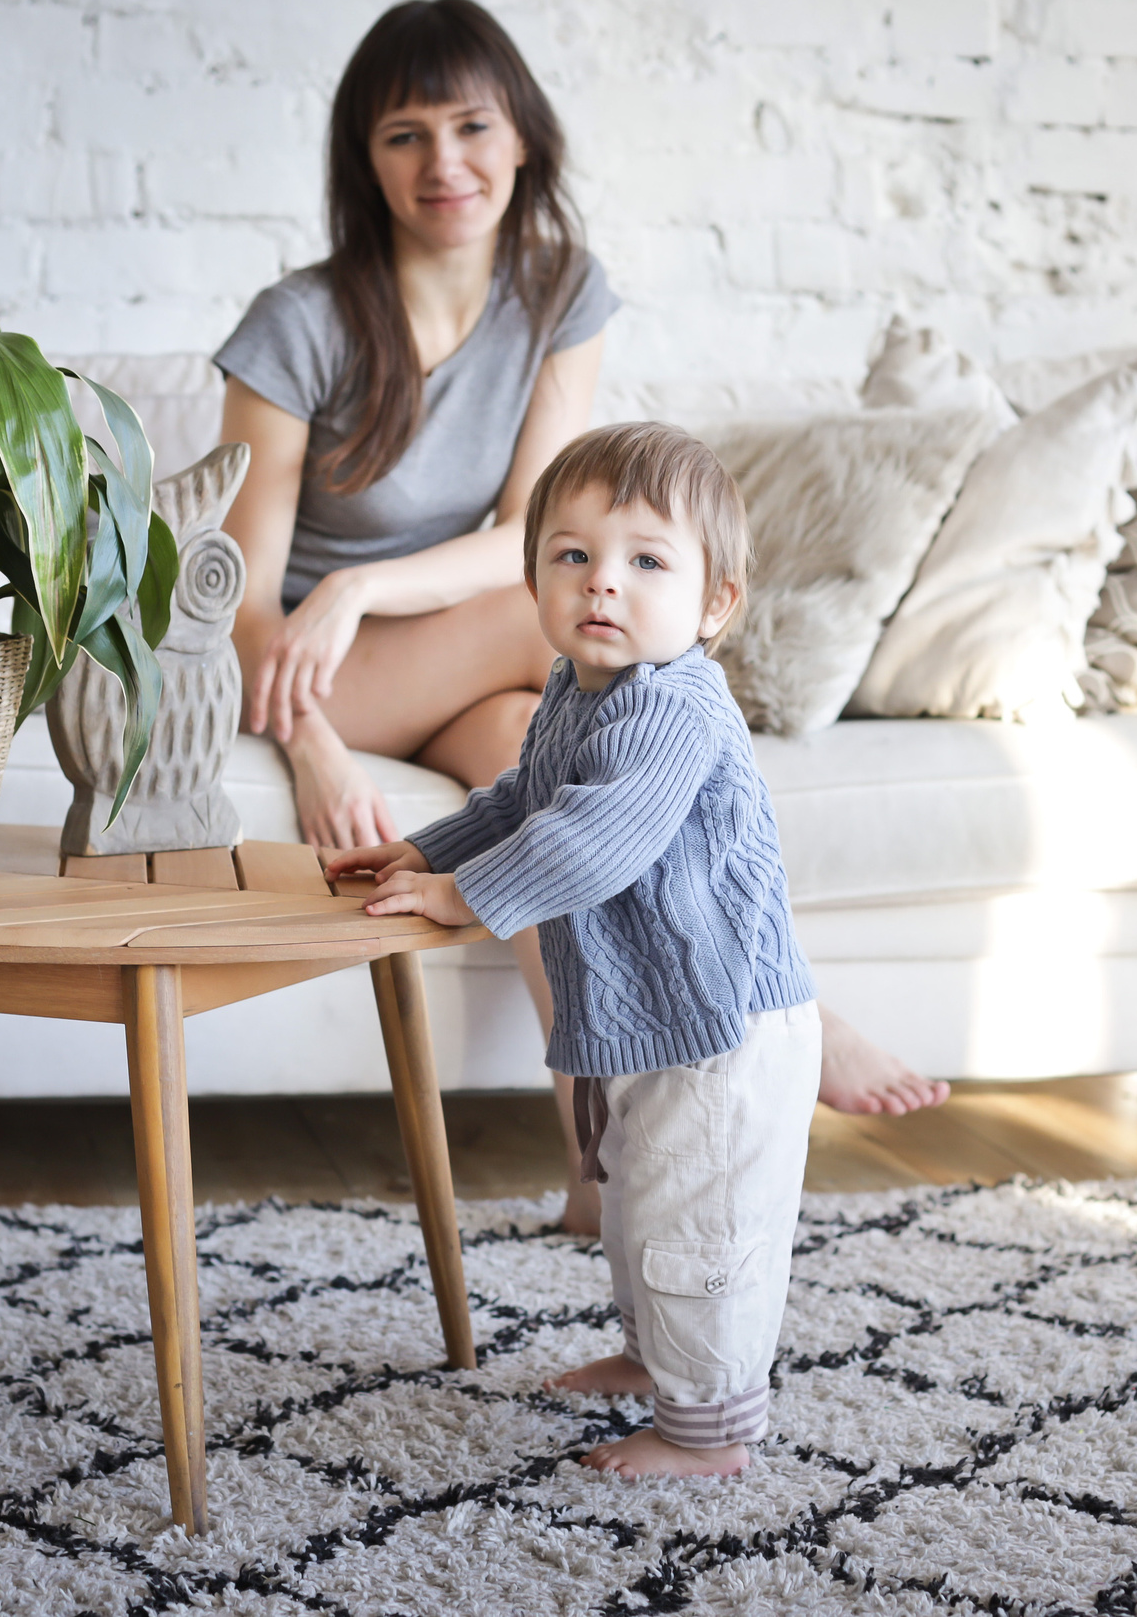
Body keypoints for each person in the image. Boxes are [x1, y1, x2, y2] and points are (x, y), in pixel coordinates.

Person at [214, 0, 945, 1237]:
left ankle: (594, 1181)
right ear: (363, 159)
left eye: (470, 125)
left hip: (453, 633)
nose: (442, 164)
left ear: (522, 139)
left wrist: (364, 583)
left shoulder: (560, 292)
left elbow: (532, 534)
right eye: (403, 135)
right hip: (304, 666)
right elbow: (234, 587)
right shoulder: (299, 323)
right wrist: (313, 738)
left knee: (557, 785)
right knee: (584, 628)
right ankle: (788, 1006)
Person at [331, 422, 814, 1477]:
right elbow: (519, 800)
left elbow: (592, 839)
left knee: (698, 1220)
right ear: (534, 577)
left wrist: (463, 896)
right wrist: (419, 848)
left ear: (713, 604)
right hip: (653, 1020)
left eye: (646, 562)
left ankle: (710, 1432)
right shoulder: (576, 690)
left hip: (721, 1025)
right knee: (641, 1199)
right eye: (572, 555)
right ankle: (654, 1363)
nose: (604, 584)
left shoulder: (668, 708)